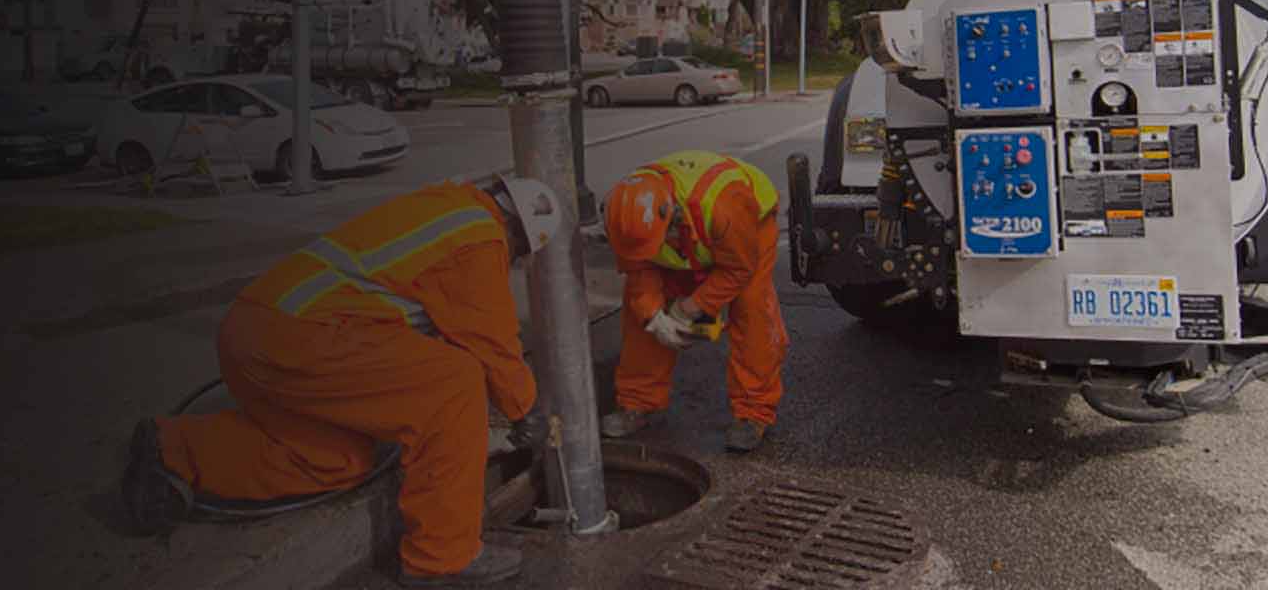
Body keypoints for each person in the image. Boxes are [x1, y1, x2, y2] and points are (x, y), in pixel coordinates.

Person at [120, 174, 562, 588]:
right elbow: (494, 344)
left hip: (257, 336)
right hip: (302, 339)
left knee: (338, 459)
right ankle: (440, 557)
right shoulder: (478, 236)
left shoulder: (446, 208)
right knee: (454, 384)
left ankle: (172, 449)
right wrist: (528, 410)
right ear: (518, 239)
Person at [599, 150, 787, 452]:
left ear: (672, 219)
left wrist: (690, 308)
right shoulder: (627, 217)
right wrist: (654, 318)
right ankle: (637, 403)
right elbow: (639, 270)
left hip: (748, 233)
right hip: (691, 236)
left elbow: (737, 270)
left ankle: (754, 413)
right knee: (638, 318)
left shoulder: (725, 206)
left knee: (753, 314)